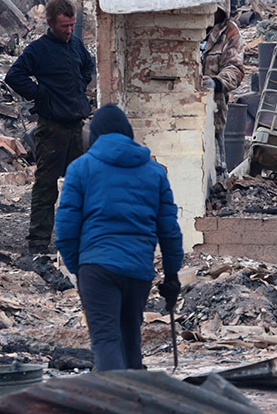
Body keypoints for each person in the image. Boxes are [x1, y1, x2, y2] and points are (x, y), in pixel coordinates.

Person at [55, 104, 184, 372]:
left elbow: (66, 228)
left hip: (97, 268)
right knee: (130, 340)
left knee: (106, 341)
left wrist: (78, 267)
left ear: (95, 136)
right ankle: (135, 405)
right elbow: (170, 230)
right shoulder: (155, 172)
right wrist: (171, 275)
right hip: (138, 271)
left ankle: (112, 408)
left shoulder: (80, 169)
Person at [5, 0, 95, 252]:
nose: (68, 30)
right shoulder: (38, 49)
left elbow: (88, 66)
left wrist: (81, 84)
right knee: (46, 186)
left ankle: (81, 238)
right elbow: (15, 75)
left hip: (76, 128)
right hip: (51, 129)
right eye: (64, 26)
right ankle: (38, 241)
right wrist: (39, 94)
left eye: (71, 25)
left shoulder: (76, 45)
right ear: (50, 23)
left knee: (80, 185)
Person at [201, 0, 245, 154]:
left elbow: (235, 67)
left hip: (215, 113)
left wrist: (216, 83)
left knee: (215, 164)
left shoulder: (229, 32)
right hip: (185, 111)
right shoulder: (185, 28)